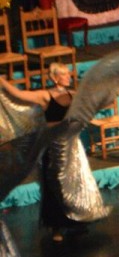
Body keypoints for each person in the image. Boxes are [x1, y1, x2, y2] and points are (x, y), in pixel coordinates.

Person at [0, 63, 81, 241]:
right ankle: (56, 227)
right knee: (54, 184)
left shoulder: (72, 94)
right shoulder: (45, 95)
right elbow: (19, 95)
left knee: (71, 182)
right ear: (55, 78)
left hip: (70, 145)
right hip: (52, 145)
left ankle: (73, 222)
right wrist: (2, 82)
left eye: (69, 74)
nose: (69, 77)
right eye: (64, 74)